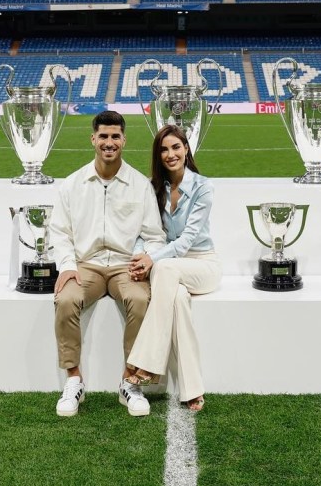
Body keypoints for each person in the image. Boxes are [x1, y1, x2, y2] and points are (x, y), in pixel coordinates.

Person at [49, 110, 166, 418]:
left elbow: (155, 236)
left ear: (124, 140)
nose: (109, 143)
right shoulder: (72, 185)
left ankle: (130, 382)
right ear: (93, 139)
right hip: (85, 265)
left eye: (115, 137)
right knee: (65, 299)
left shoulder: (139, 185)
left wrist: (147, 257)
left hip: (124, 267)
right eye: (103, 136)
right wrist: (67, 266)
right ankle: (74, 381)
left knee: (141, 299)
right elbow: (59, 233)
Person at [126, 124, 222, 412]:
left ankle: (147, 363)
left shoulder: (204, 187)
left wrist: (152, 260)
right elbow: (144, 232)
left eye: (176, 147)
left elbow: (186, 241)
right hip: (168, 263)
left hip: (202, 263)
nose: (170, 154)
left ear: (186, 149)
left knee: (165, 270)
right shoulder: (154, 188)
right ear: (158, 155)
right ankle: (193, 388)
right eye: (164, 149)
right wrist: (138, 257)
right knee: (177, 299)